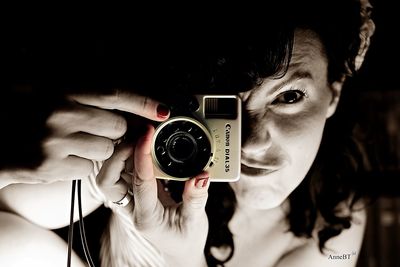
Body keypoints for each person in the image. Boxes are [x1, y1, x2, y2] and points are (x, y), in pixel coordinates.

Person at [0, 0, 376, 266]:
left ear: (333, 94)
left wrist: (180, 260)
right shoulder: (138, 143)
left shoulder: (334, 221)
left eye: (290, 97)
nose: (251, 142)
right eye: (223, 104)